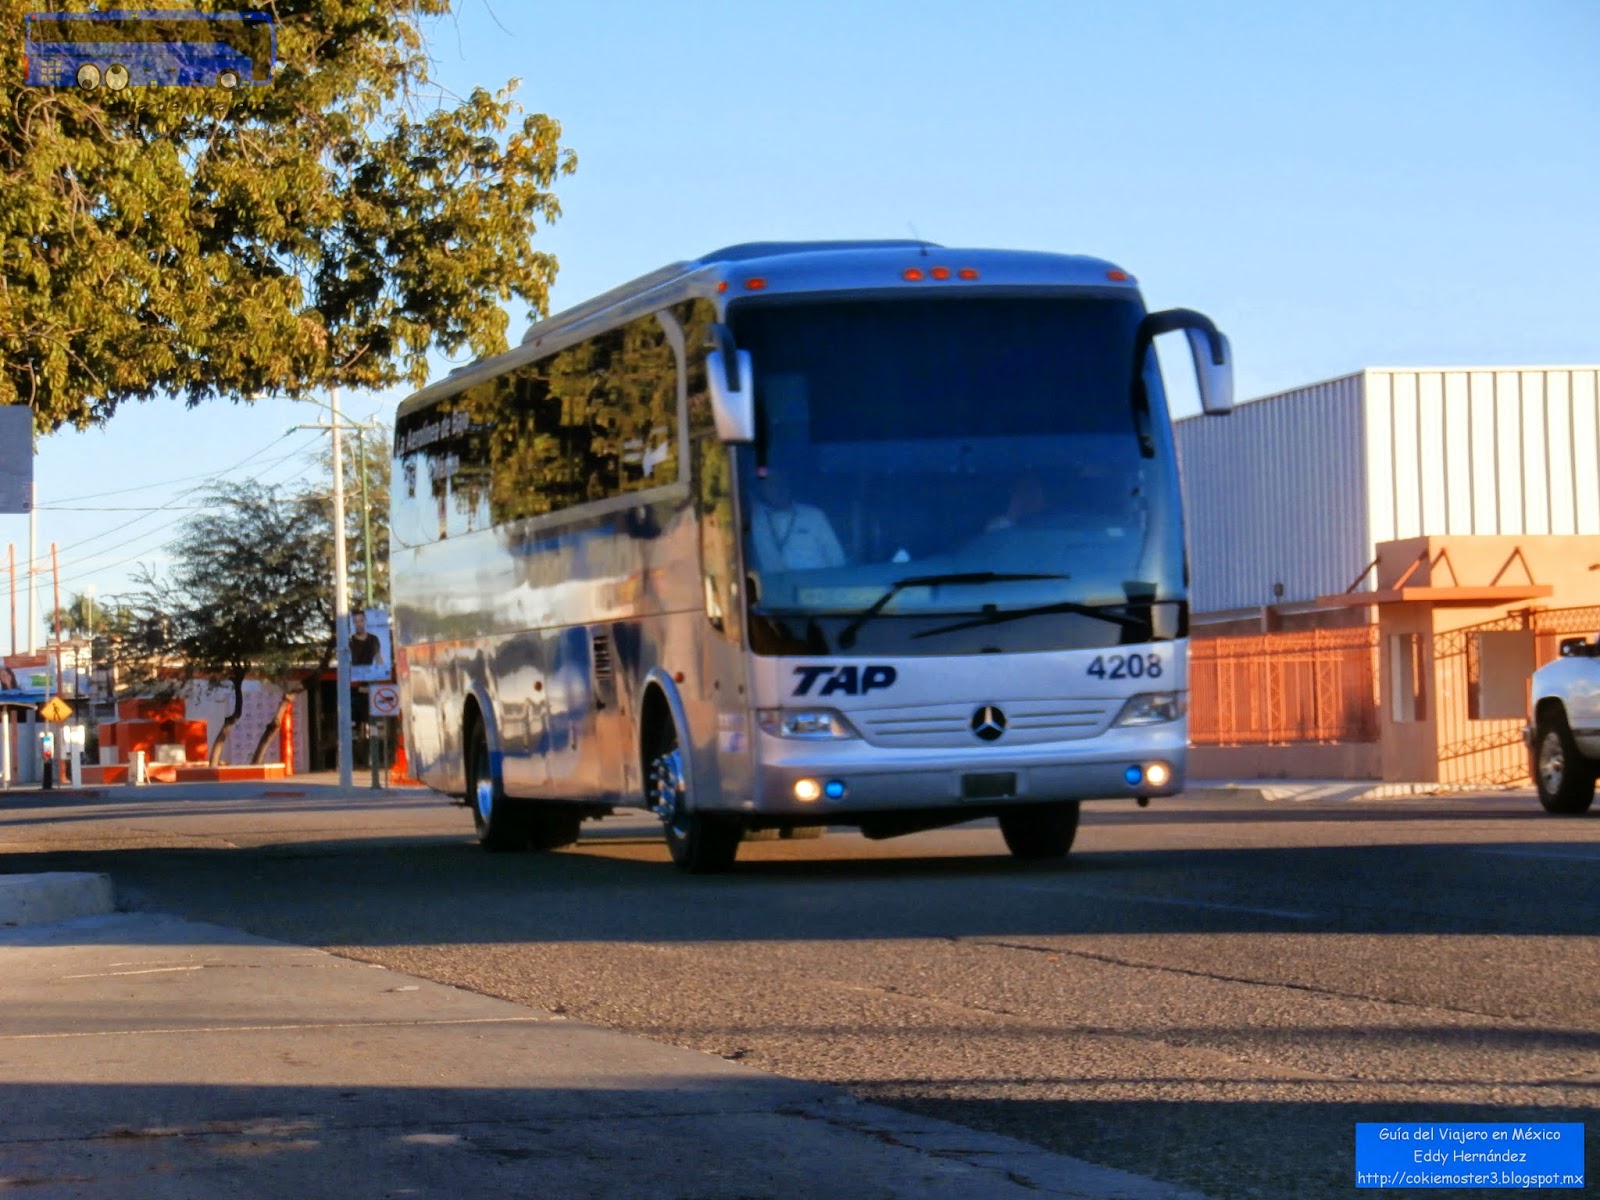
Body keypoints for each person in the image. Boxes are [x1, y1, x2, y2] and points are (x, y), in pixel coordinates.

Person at [748, 467, 847, 570]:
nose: (778, 489)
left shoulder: (813, 516)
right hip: (774, 584)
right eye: (770, 485)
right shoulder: (756, 519)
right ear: (761, 490)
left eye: (780, 483)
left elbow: (837, 559)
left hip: (815, 583)